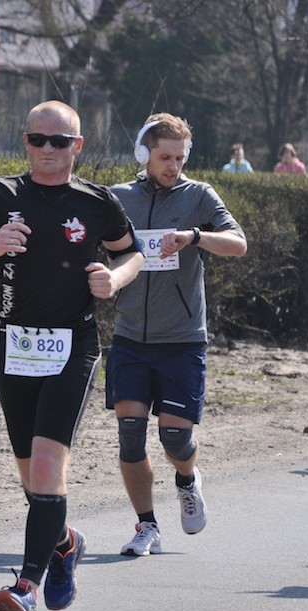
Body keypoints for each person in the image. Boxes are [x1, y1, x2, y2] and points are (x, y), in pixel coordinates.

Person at [0, 100, 144, 611]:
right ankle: (65, 542)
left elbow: (132, 253)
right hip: (14, 347)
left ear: (78, 146)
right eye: (38, 139)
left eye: (60, 141)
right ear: (26, 142)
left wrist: (114, 279)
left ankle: (26, 588)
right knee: (32, 480)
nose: (48, 149)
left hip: (72, 348)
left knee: (47, 468)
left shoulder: (96, 202)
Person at [108, 113, 247, 556]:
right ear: (144, 154)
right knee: (130, 432)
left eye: (180, 158)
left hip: (182, 340)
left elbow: (238, 243)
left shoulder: (198, 195)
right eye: (165, 157)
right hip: (130, 336)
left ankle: (187, 479)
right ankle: (146, 525)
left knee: (174, 439)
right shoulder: (119, 198)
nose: (173, 166)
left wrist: (195, 236)